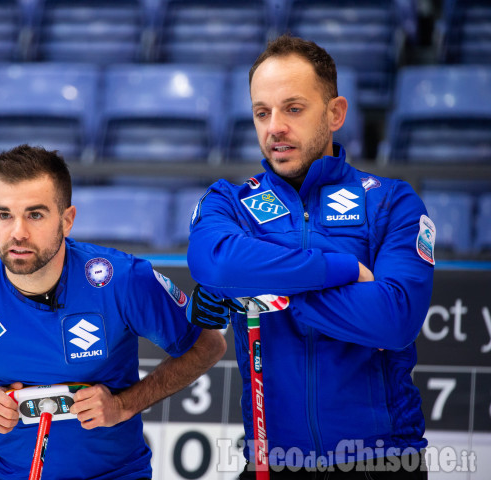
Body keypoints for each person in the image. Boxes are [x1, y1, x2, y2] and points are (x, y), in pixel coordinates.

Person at [186, 35, 435, 478]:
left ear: (335, 113)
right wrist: (339, 269)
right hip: (270, 462)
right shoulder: (230, 201)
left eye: (293, 109)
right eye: (262, 112)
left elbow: (394, 318)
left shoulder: (392, 202)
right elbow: (218, 264)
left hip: (382, 460)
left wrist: (263, 293)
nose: (274, 127)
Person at [0, 144, 226, 479]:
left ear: (67, 220)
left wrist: (123, 405)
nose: (18, 232)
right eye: (5, 215)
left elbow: (208, 344)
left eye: (35, 215)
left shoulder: (121, 279)